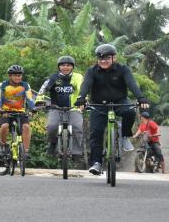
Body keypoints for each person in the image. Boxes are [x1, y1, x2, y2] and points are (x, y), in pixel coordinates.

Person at [75, 44, 150, 175]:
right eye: (100, 58)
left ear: (114, 58)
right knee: (96, 133)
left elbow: (131, 83)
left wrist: (141, 98)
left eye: (107, 58)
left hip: (120, 102)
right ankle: (96, 163)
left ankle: (125, 136)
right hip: (98, 104)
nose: (103, 61)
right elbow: (86, 84)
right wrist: (81, 97)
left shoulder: (123, 69)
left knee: (130, 111)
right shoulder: (92, 71)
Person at [35, 56, 84, 162]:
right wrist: (39, 100)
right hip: (56, 108)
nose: (65, 67)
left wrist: (83, 100)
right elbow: (44, 88)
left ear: (72, 67)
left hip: (74, 108)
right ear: (59, 67)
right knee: (51, 126)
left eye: (68, 65)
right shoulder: (53, 77)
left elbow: (82, 89)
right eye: (63, 65)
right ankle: (53, 144)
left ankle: (76, 152)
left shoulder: (77, 77)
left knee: (77, 127)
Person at [0, 65, 35, 159]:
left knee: (26, 127)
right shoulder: (3, 85)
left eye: (19, 75)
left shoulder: (25, 85)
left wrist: (33, 108)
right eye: (15, 75)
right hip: (5, 111)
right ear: (10, 76)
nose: (18, 77)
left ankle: (25, 151)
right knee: (5, 126)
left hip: (20, 111)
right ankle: (3, 144)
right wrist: (0, 109)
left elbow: (29, 98)